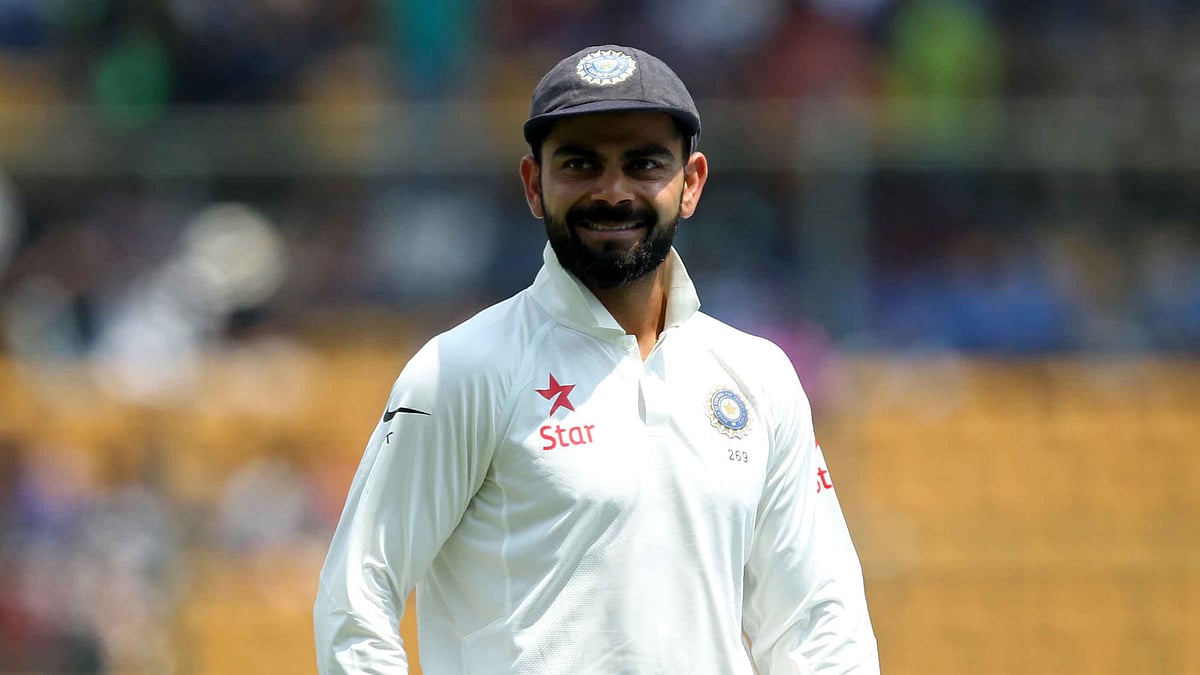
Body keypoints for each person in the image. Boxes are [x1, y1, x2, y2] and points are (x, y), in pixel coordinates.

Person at [314, 44, 879, 674]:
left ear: (690, 184)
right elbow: (355, 604)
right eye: (581, 164)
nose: (613, 193)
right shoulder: (462, 368)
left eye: (643, 164)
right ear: (534, 185)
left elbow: (819, 621)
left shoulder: (759, 376)